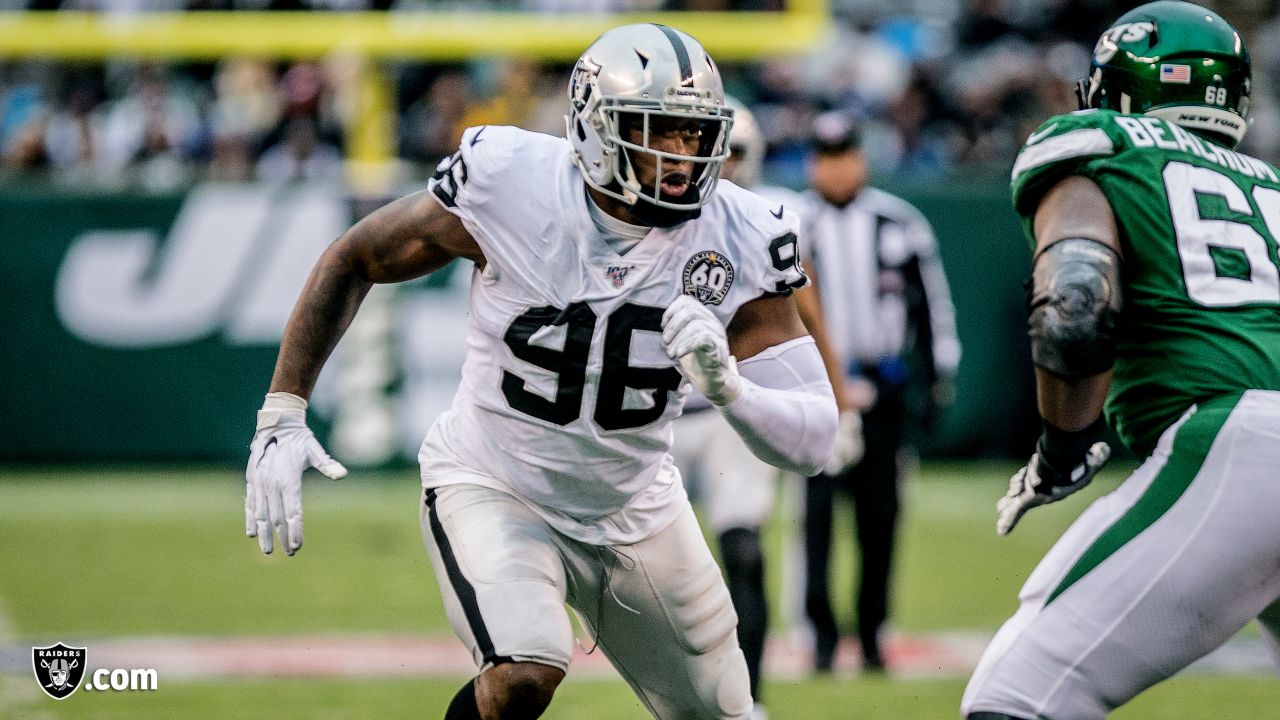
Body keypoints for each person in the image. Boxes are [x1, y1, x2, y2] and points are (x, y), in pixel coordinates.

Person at [242, 23, 838, 720]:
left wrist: (729, 389)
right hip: (497, 482)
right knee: (525, 669)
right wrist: (284, 408)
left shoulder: (740, 232)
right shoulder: (511, 183)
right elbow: (356, 257)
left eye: (693, 133)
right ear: (594, 128)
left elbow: (815, 440)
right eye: (657, 129)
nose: (680, 156)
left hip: (637, 503)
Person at [962, 2, 1280, 718]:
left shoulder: (1101, 139)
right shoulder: (1272, 187)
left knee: (1016, 696)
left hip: (1243, 445)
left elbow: (1075, 310)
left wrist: (1062, 446)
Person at [666, 96, 830, 720]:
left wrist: (831, 399)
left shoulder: (763, 221)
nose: (718, 161)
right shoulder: (644, 214)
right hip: (656, 419)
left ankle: (750, 699)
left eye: (731, 149)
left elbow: (804, 316)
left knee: (744, 552)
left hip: (731, 413)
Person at [798, 110, 961, 673]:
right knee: (816, 518)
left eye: (844, 157)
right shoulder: (794, 224)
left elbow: (933, 304)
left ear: (860, 160)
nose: (835, 170)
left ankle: (871, 635)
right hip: (818, 392)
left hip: (883, 387)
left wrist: (939, 376)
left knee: (880, 518)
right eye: (825, 158)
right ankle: (820, 637)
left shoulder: (899, 222)